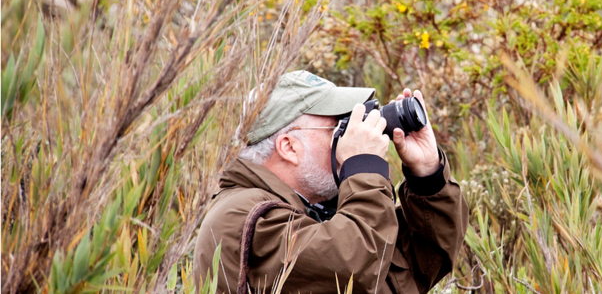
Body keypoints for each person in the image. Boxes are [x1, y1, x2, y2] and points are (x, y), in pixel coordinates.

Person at [193, 70, 469, 293]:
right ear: (289, 147)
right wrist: (364, 167)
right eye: (339, 126)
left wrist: (427, 177)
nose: (349, 136)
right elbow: (351, 268)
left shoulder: (308, 211)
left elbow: (407, 271)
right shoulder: (245, 216)